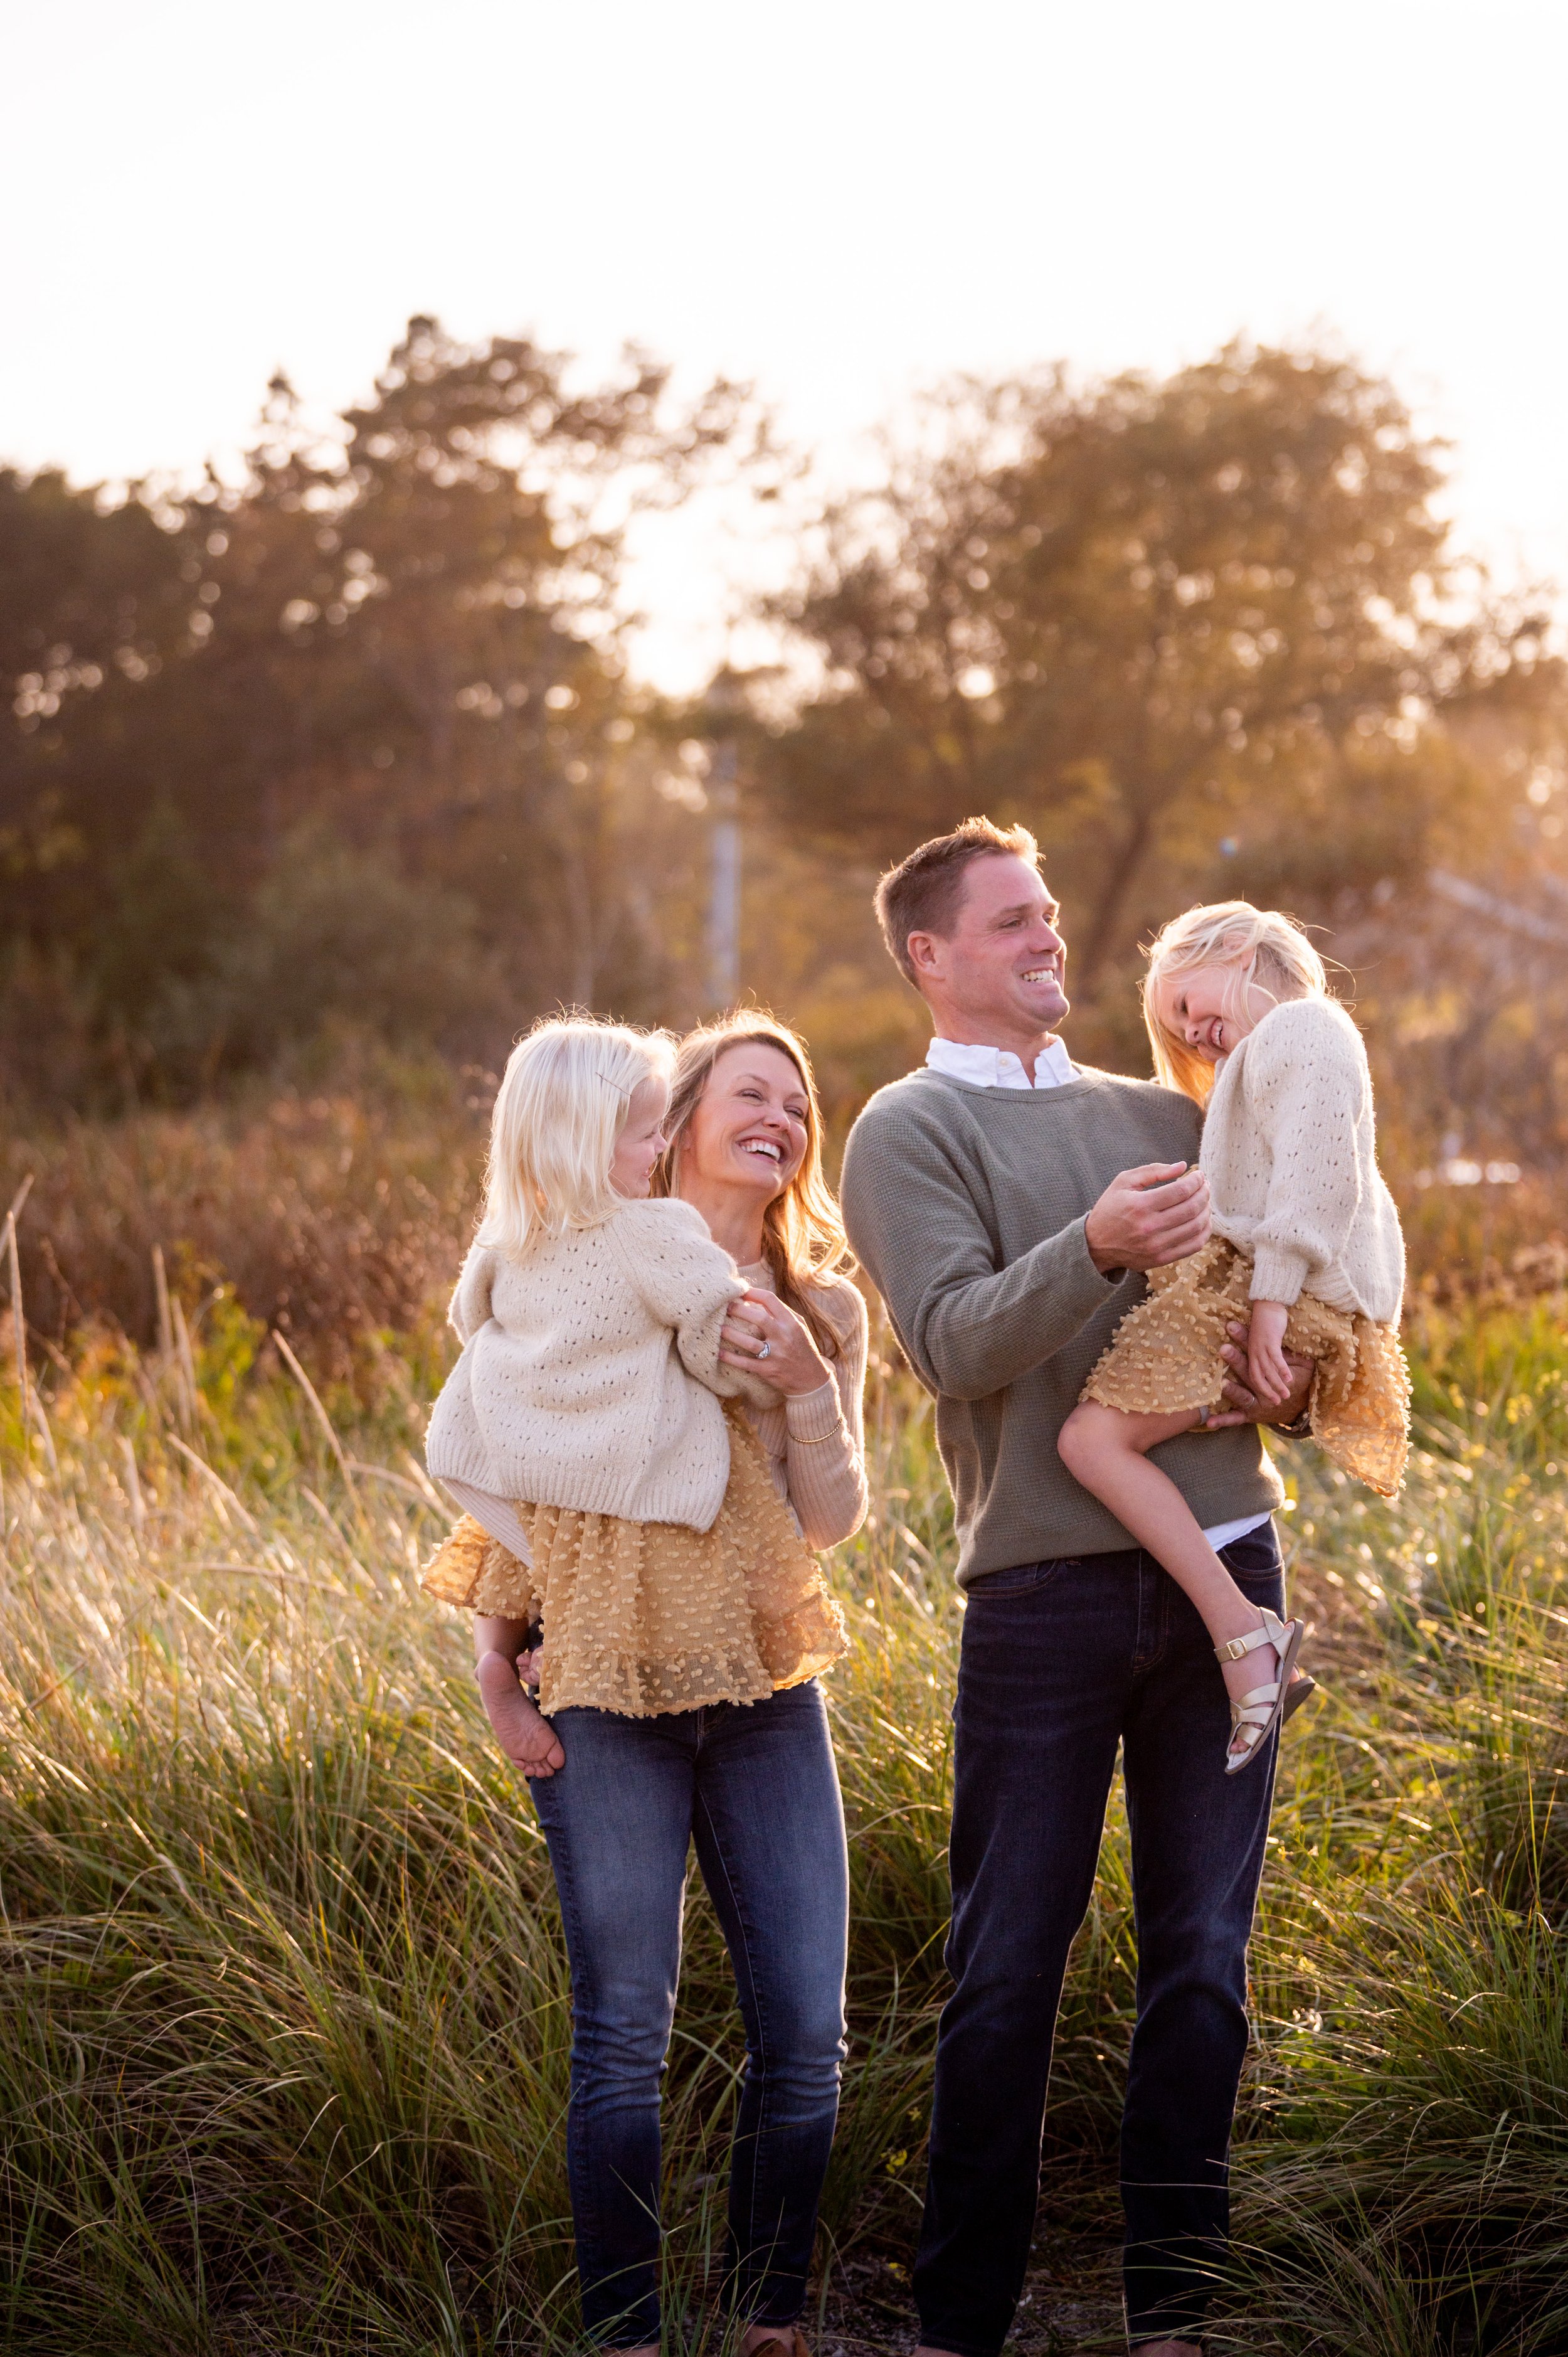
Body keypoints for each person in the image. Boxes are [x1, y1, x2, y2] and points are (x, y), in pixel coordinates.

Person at [839, 818, 1315, 2357]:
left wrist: (1291, 1378)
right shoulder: (903, 1130)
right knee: (1005, 1963)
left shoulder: (1165, 1111)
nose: (1049, 939)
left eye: (1049, 917)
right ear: (931, 956)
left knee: (1199, 1954)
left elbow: (1285, 1317)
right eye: (1009, 923)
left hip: (1222, 1574)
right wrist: (1094, 1242)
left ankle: (1170, 2315)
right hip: (1039, 1594)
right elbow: (954, 1342)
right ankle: (960, 2321)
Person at [423, 1010, 868, 2357]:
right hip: (601, 1685)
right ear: (672, 1123)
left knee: (805, 2025)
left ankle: (767, 2314)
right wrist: (499, 1679)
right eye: (752, 1090)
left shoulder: (821, 1302)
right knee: (623, 2030)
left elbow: (836, 1518)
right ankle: (624, 2331)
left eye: (798, 1101)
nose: (781, 1116)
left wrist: (805, 1384)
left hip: (760, 1680)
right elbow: (508, 1487)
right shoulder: (566, 1271)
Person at [1058, 902, 1408, 1772]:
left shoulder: (1308, 1027)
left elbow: (1316, 1182)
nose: (1195, 1035)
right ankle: (1244, 1636)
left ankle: (1244, 1634)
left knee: (1091, 1438)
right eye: (1181, 1031)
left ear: (1239, 949)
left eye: (1186, 1006)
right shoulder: (1272, 1053)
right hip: (1268, 1293)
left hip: (1265, 1293)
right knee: (1098, 1440)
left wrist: (1272, 1302)